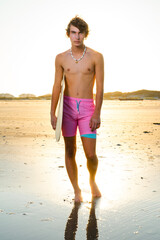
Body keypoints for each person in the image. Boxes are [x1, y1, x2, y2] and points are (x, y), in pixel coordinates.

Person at [51, 16, 104, 202]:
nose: (77, 36)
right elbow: (57, 85)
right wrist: (52, 112)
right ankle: (76, 190)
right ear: (68, 34)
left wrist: (97, 112)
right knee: (69, 151)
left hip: (88, 108)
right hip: (67, 108)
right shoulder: (60, 58)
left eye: (80, 32)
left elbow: (100, 88)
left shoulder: (97, 57)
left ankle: (92, 181)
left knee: (91, 154)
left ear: (85, 34)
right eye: (73, 32)